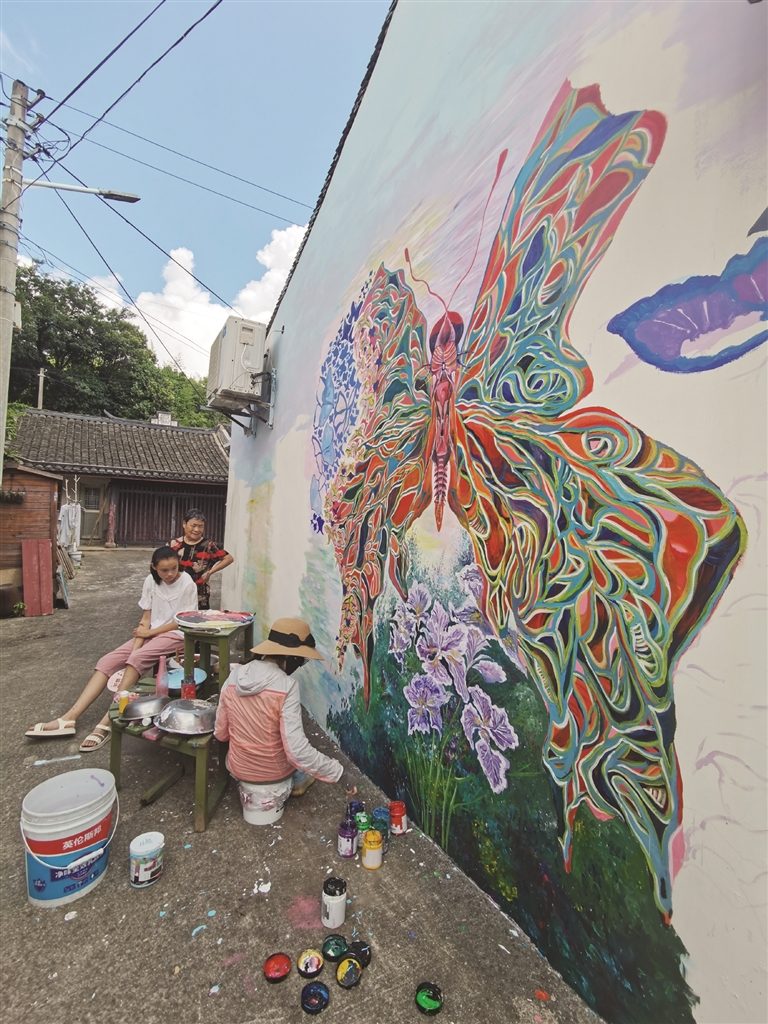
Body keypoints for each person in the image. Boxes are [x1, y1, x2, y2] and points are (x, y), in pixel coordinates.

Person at [25, 546, 198, 752]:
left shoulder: (187, 582)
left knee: (136, 660)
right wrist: (137, 646)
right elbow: (145, 619)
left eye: (173, 568)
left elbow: (182, 621)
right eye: (164, 570)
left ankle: (107, 722)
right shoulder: (150, 581)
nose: (170, 574)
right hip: (150, 633)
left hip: (176, 635)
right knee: (107, 661)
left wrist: (146, 638)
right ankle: (69, 717)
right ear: (154, 568)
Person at [214, 617, 357, 807]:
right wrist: (341, 774)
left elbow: (220, 733)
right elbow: (297, 752)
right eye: (301, 661)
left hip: (238, 769)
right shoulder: (286, 686)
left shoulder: (234, 677)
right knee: (300, 764)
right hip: (274, 774)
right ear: (290, 658)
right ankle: (296, 782)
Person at [170, 508, 233, 610]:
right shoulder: (174, 544)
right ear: (184, 524)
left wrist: (210, 572)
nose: (196, 530)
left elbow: (228, 558)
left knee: (199, 619)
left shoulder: (209, 545)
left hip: (200, 594)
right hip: (176, 593)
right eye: (193, 525)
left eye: (200, 526)